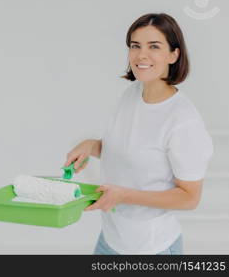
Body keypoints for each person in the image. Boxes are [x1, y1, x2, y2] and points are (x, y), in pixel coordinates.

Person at [64, 13, 214, 255]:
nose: (141, 55)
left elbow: (189, 198)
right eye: (135, 46)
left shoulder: (183, 121)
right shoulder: (131, 94)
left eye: (154, 46)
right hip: (110, 240)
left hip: (152, 248)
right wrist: (90, 146)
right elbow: (129, 149)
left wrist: (124, 196)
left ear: (174, 54)